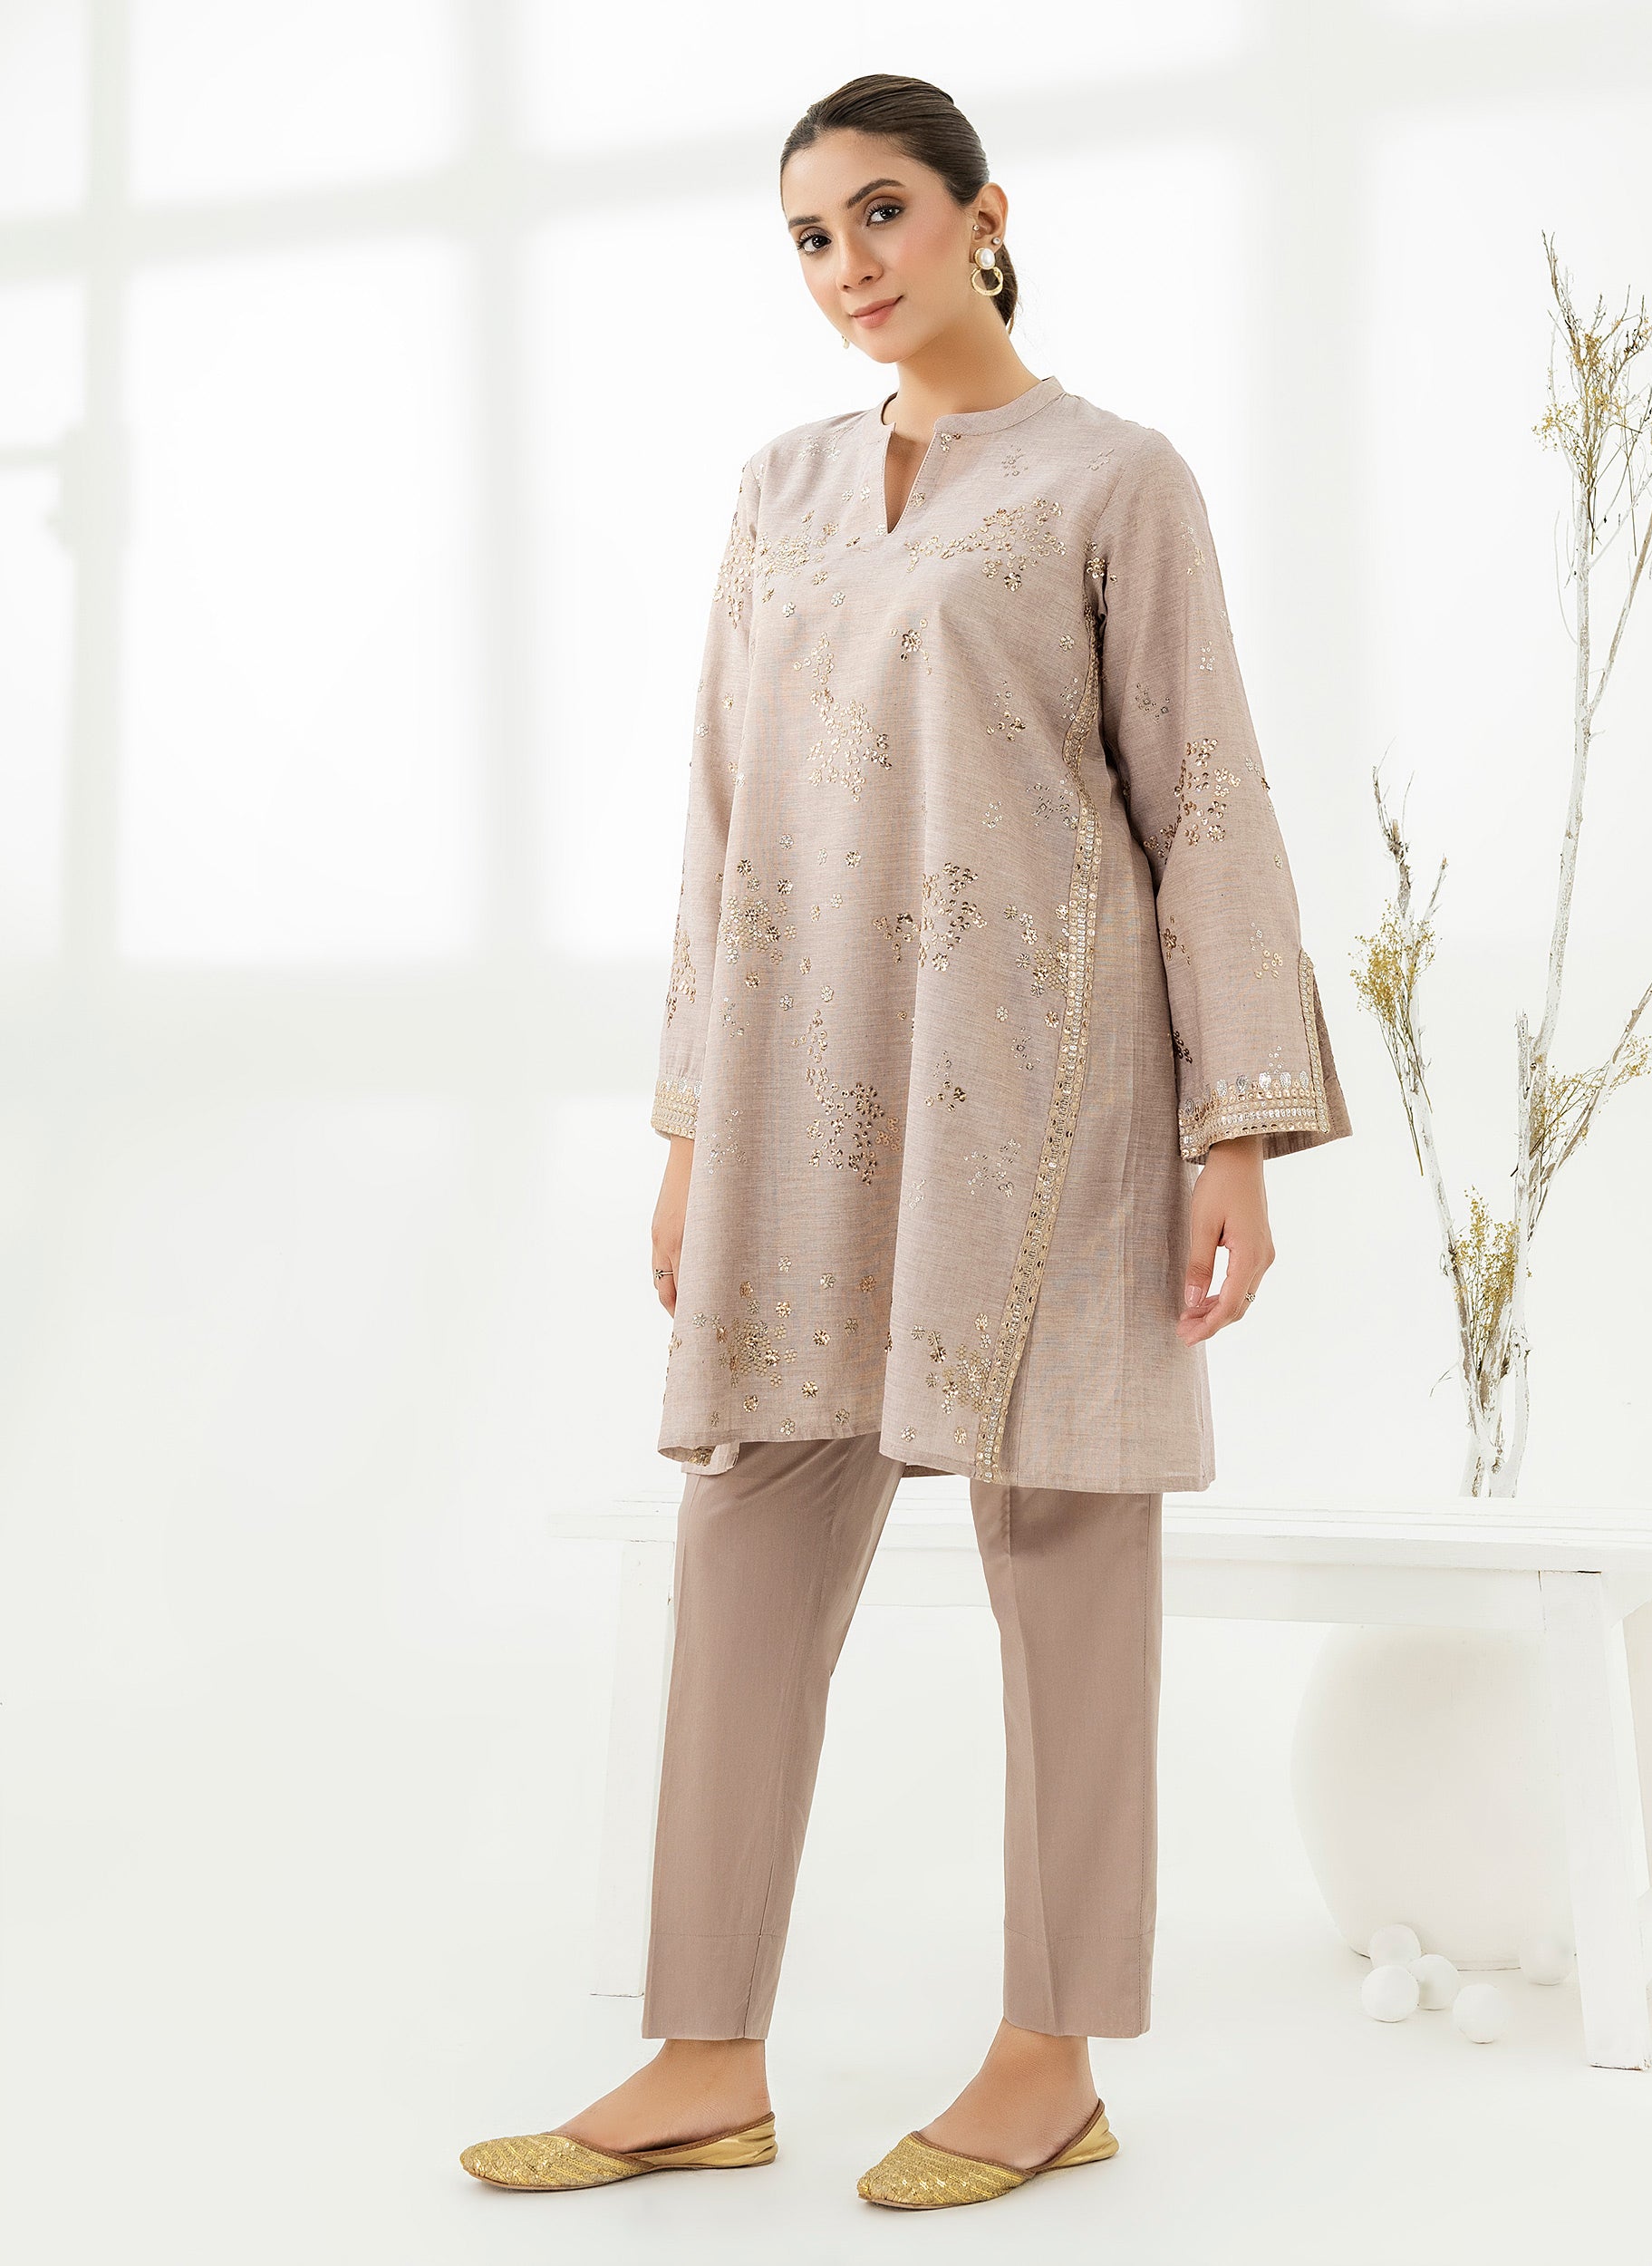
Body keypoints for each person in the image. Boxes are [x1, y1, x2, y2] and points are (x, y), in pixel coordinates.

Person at [461, 71, 1350, 2212]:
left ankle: (1049, 2055)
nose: (846, 264)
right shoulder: (775, 487)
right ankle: (701, 2050)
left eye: (879, 213)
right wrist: (690, 1122)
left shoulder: (1113, 478)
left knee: (1063, 1549)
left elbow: (1200, 795)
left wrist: (1234, 1132)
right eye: (808, 235)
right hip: (798, 1087)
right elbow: (719, 819)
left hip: (1052, 1094)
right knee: (746, 1532)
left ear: (979, 214)